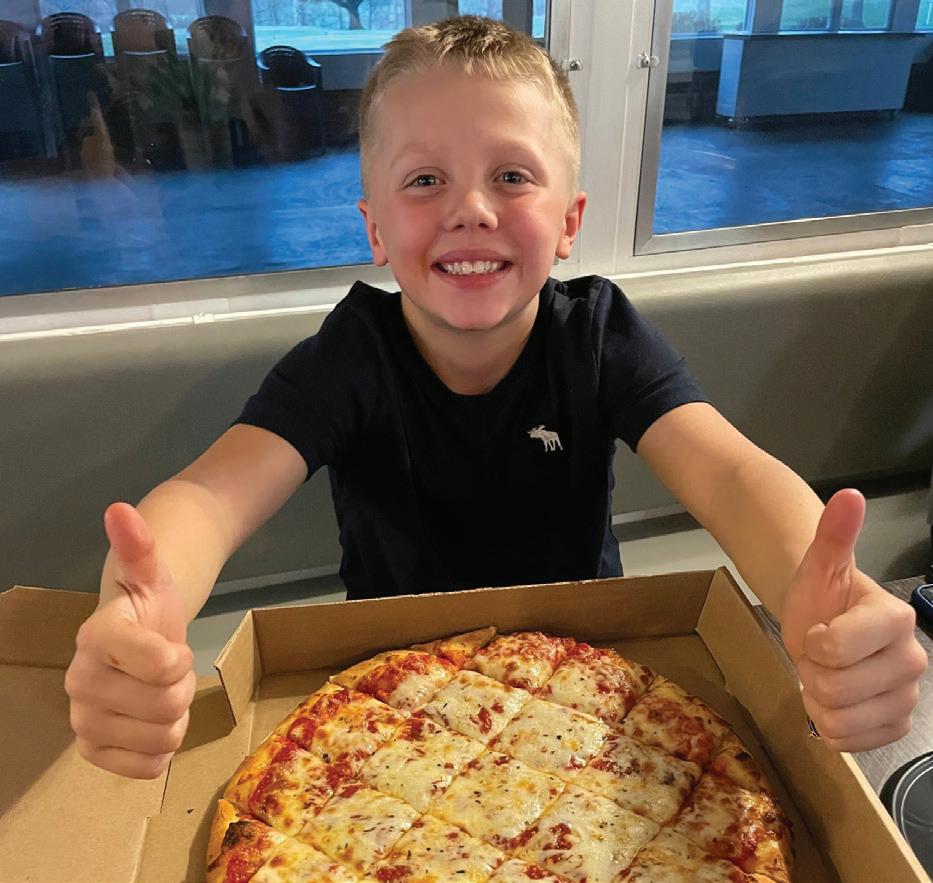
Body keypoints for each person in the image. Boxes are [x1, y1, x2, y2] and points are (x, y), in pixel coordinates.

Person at [65, 16, 926, 780]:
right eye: (424, 180)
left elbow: (728, 473)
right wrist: (141, 610)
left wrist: (816, 595)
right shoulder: (349, 356)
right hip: (388, 708)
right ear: (374, 227)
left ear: (568, 222)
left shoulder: (599, 335)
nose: (470, 209)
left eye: (511, 175)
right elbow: (210, 497)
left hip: (592, 693)